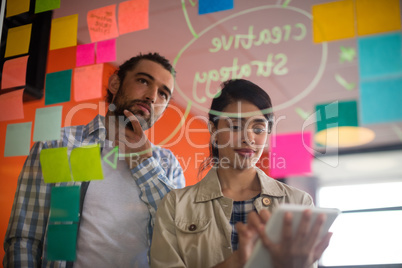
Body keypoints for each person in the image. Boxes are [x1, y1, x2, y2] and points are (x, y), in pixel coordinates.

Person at [3, 52, 185, 268]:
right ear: (115, 83)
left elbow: (178, 242)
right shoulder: (57, 145)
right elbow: (25, 239)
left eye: (163, 94)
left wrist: (145, 162)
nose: (152, 96)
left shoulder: (167, 165)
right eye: (143, 81)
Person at [150, 79, 332, 268]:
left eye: (259, 129)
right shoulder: (175, 205)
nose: (249, 137)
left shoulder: (297, 203)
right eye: (235, 126)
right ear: (213, 130)